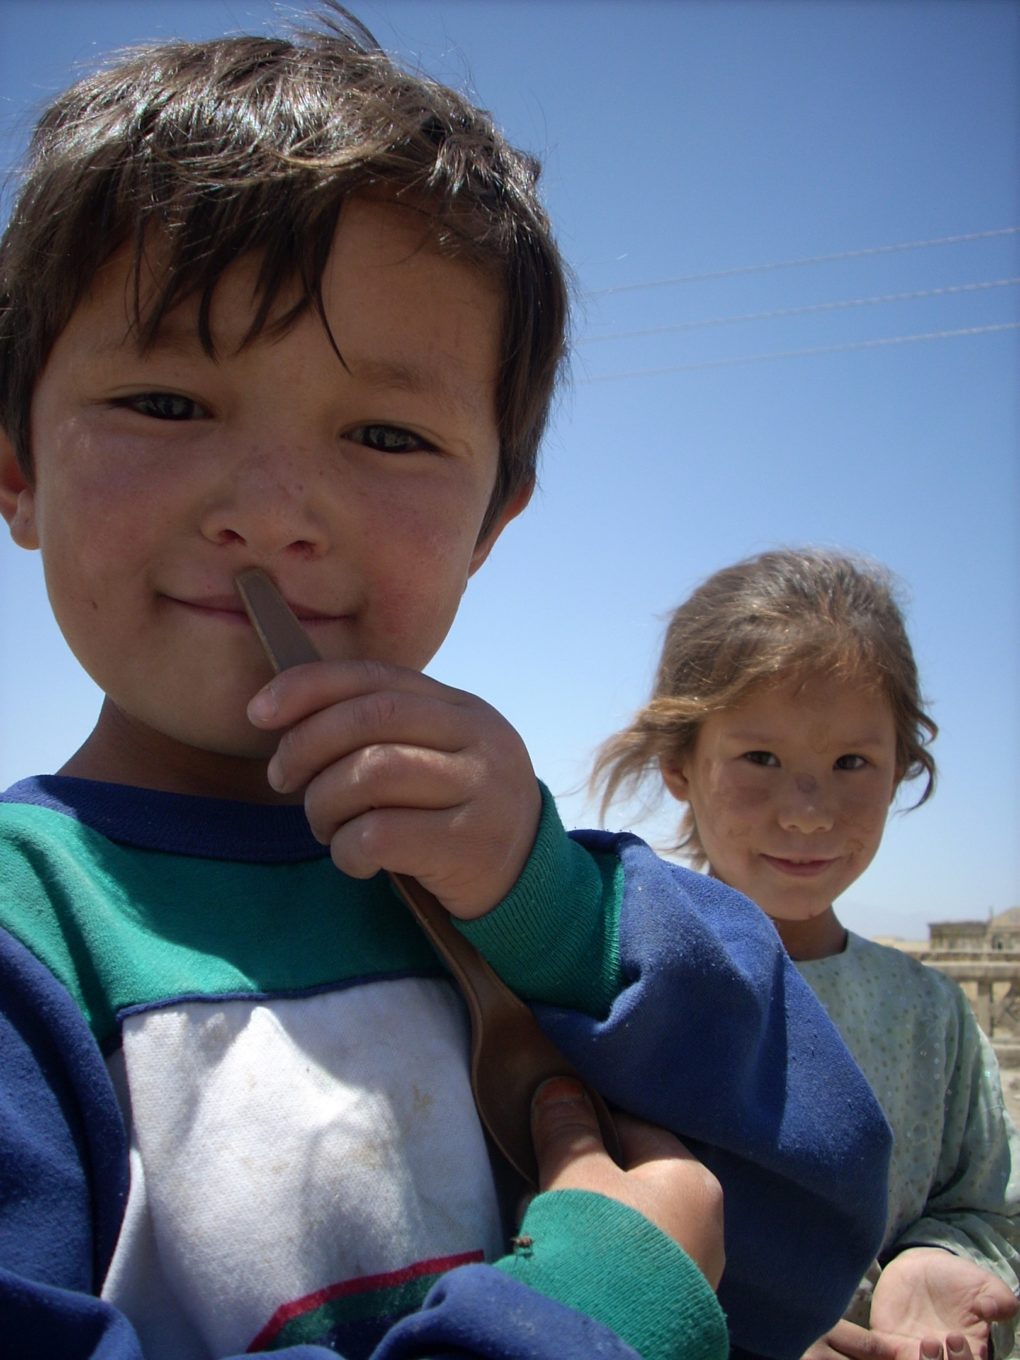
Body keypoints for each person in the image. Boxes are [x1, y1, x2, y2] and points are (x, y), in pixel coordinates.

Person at [0, 10, 893, 1359]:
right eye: (167, 404)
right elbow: (655, 1286)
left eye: (386, 433)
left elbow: (805, 1229)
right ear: (15, 463)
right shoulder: (32, 943)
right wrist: (598, 1313)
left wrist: (555, 905)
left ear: (493, 521)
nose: (272, 510)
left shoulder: (533, 911)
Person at [591, 546, 1020, 1360]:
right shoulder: (618, 981)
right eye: (762, 759)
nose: (809, 813)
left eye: (852, 763)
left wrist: (935, 1262)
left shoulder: (931, 1018)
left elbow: (983, 1208)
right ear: (679, 764)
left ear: (901, 771)